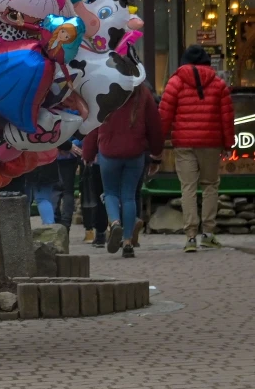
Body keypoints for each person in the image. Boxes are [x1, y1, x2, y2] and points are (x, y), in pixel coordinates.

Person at [160, 44, 236, 252]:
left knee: (188, 188)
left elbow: (165, 115)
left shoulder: (175, 82)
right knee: (210, 185)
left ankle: (191, 237)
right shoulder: (219, 84)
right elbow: (227, 118)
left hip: (184, 143)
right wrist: (228, 143)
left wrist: (158, 143)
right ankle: (208, 234)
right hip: (211, 143)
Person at [83, 83, 163, 258]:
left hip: (108, 151)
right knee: (128, 196)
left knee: (110, 192)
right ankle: (127, 241)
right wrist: (156, 155)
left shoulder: (103, 88)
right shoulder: (143, 93)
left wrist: (88, 153)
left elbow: (93, 124)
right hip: (135, 152)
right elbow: (155, 125)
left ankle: (115, 223)